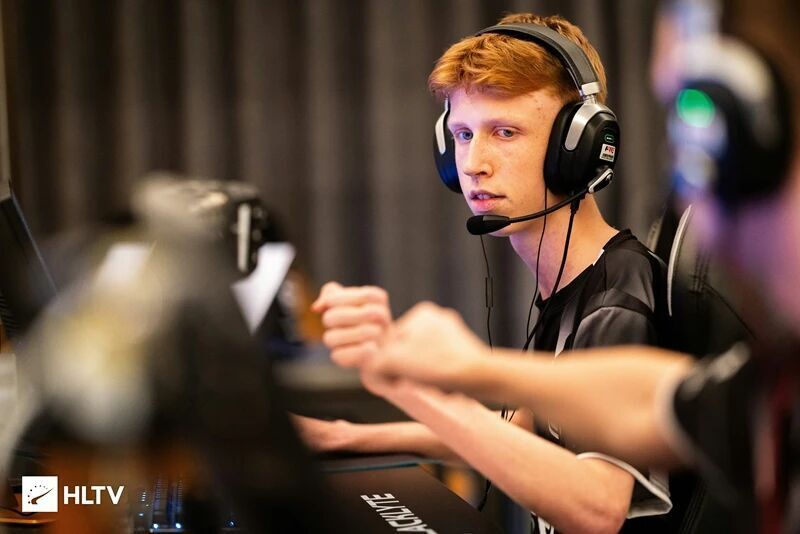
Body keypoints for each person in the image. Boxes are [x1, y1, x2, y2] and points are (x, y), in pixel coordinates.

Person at [332, 0, 800, 532]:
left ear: (578, 147)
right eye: (462, 135)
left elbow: (600, 505)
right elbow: (532, 423)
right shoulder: (569, 284)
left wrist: (418, 386)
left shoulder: (616, 294)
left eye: (505, 132)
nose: (473, 164)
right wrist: (347, 434)